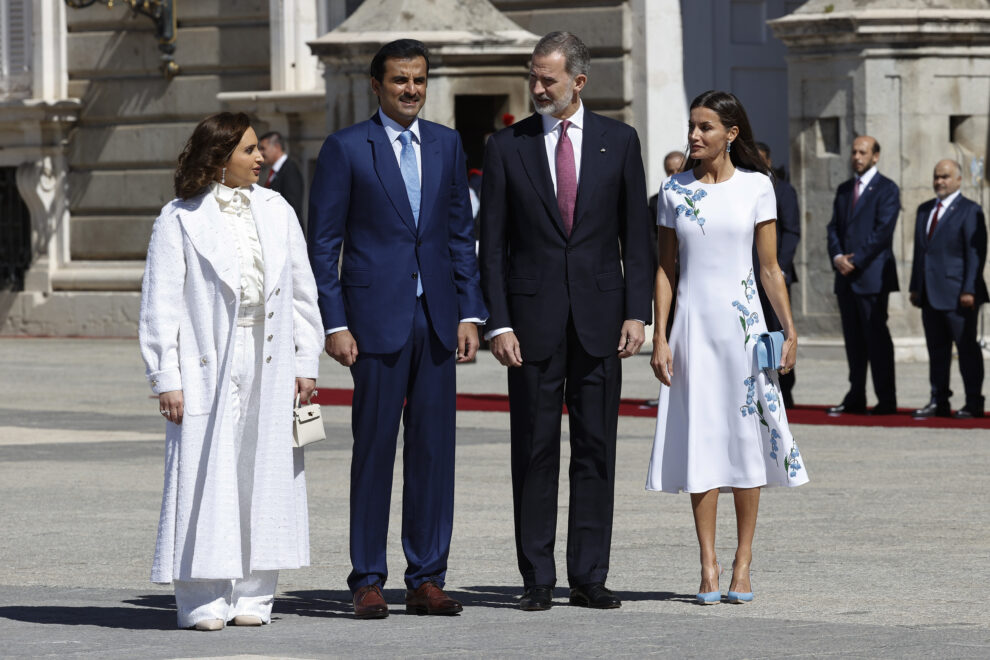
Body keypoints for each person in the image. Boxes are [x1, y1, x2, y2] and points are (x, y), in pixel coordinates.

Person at [308, 39, 487, 619]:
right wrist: (333, 322)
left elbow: (461, 233)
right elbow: (324, 245)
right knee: (375, 449)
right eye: (400, 81)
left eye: (419, 80)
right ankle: (367, 578)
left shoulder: (447, 143)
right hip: (372, 321)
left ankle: (427, 576)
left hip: (436, 317)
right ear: (376, 86)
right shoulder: (343, 148)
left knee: (435, 452)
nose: (411, 90)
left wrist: (468, 312)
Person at [479, 31, 653, 612]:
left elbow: (637, 236)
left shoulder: (619, 142)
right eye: (532, 76)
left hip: (603, 319)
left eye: (547, 78)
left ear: (578, 81)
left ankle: (589, 575)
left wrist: (637, 311)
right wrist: (497, 324)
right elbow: (492, 246)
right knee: (533, 450)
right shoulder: (507, 146)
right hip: (530, 325)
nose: (536, 87)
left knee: (596, 448)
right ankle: (536, 577)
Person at [138, 112, 324, 631]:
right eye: (248, 150)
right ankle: (201, 597)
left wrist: (305, 361)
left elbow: (302, 292)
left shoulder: (277, 209)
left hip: (270, 352)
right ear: (219, 158)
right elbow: (160, 306)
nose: (261, 157)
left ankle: (254, 596)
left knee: (264, 473)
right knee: (203, 473)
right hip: (207, 358)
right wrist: (166, 377)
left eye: (258, 149)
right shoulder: (179, 217)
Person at [647, 90, 808, 606]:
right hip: (692, 330)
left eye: (705, 128)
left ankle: (743, 560)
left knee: (744, 441)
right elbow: (666, 270)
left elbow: (770, 268)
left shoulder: (759, 188)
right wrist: (660, 336)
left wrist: (790, 329)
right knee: (701, 441)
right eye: (692, 126)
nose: (694, 135)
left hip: (744, 330)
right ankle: (708, 563)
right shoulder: (674, 190)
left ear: (731, 134)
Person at [825, 135, 901, 416]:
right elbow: (833, 227)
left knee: (877, 339)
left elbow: (883, 232)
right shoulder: (845, 189)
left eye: (863, 152)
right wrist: (837, 257)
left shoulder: (887, 189)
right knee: (853, 341)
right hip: (845, 278)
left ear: (875, 156)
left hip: (872, 276)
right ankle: (856, 394)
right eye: (854, 152)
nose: (857, 156)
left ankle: (886, 399)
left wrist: (855, 260)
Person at [909, 159, 988, 418]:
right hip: (930, 294)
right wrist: (915, 287)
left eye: (945, 176)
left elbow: (975, 254)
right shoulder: (924, 210)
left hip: (959, 294)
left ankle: (974, 401)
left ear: (958, 180)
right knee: (937, 350)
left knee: (966, 349)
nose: (939, 181)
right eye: (936, 176)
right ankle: (939, 399)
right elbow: (921, 252)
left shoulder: (970, 210)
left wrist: (969, 290)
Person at [753, 141, 800, 408]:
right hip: (750, 276)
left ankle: (786, 388)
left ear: (769, 160)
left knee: (778, 330)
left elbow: (792, 231)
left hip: (775, 274)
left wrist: (779, 267)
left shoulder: (783, 191)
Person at [259, 131, 305, 224]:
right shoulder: (276, 170)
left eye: (263, 148)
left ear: (277, 147)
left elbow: (292, 207)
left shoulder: (290, 169)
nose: (260, 153)